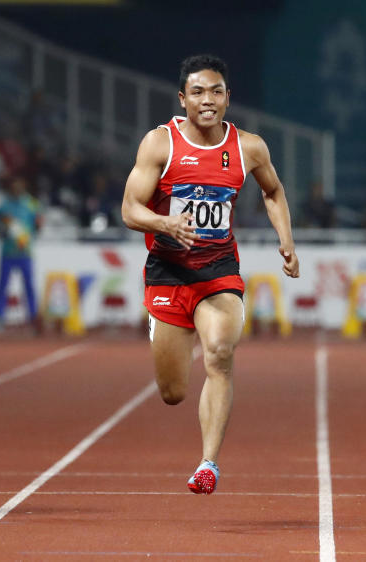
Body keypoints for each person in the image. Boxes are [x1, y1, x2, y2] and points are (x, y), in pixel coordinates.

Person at [121, 54, 300, 494]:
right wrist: (165, 224)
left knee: (219, 352)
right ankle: (161, 327)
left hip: (219, 270)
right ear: (182, 99)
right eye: (198, 92)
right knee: (172, 392)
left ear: (227, 98)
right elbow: (129, 210)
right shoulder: (159, 145)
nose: (208, 100)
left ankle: (208, 465)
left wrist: (287, 240)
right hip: (167, 272)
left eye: (216, 92)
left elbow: (273, 190)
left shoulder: (249, 147)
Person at [0, 176, 42, 327]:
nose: (17, 189)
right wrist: (1, 230)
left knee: (29, 286)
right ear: (11, 188)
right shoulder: (4, 206)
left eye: (20, 186)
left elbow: (38, 223)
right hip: (7, 252)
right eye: (15, 186)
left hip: (25, 252)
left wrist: (38, 225)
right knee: (2, 285)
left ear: (24, 186)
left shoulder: (31, 203)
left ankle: (33, 317)